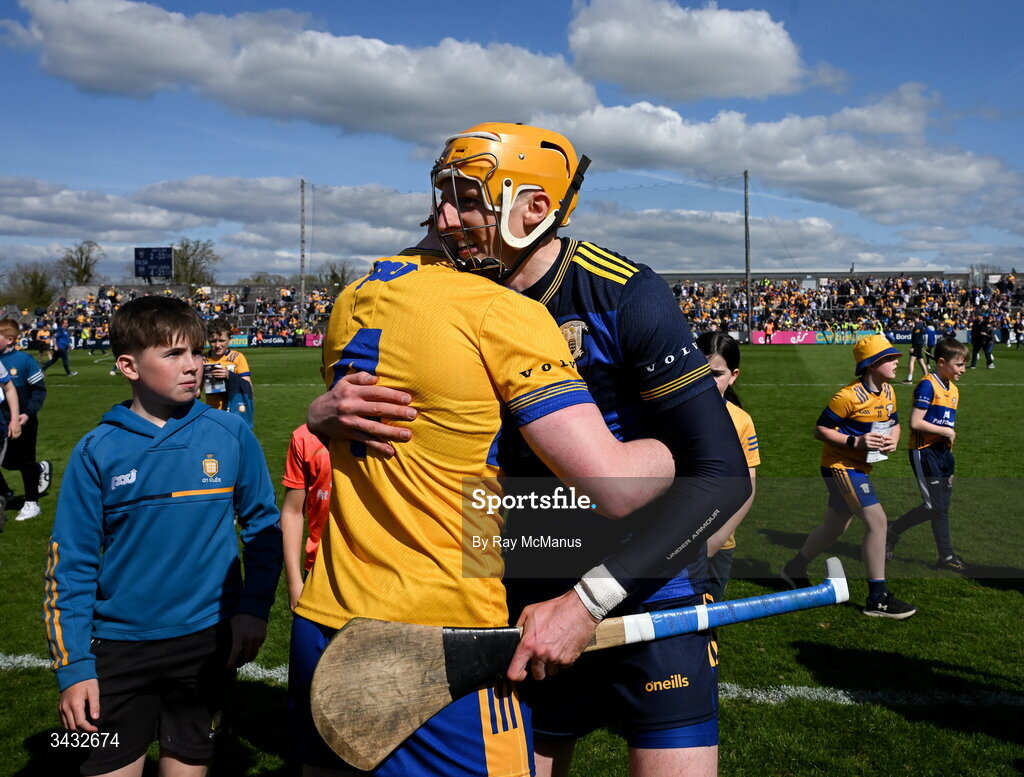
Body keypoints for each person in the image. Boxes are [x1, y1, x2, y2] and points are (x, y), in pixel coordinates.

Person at [311, 123, 750, 777]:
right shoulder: (441, 292)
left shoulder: (623, 292)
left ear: (534, 209)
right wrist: (320, 413)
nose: (444, 217)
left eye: (466, 200)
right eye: (442, 196)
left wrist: (584, 602)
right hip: (516, 586)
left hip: (647, 578)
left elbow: (722, 476)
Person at [43, 296, 282, 777]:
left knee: (189, 763)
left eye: (196, 352)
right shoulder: (97, 450)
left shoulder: (231, 433)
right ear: (128, 365)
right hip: (117, 648)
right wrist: (73, 669)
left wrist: (253, 608)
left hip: (207, 644)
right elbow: (70, 563)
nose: (192, 365)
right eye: (173, 355)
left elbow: (263, 526)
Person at [781, 334, 916, 619]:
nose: (896, 363)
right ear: (870, 364)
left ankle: (794, 567)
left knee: (835, 527)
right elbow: (821, 430)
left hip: (861, 467)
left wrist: (893, 438)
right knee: (878, 522)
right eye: (889, 358)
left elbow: (895, 423)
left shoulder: (889, 392)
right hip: (840, 466)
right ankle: (877, 598)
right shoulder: (847, 396)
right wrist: (856, 443)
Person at [886, 338, 969, 572]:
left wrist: (948, 451)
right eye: (959, 365)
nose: (963, 370)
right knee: (933, 506)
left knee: (941, 507)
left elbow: (945, 426)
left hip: (944, 455)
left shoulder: (953, 389)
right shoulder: (927, 385)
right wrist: (945, 431)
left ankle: (946, 556)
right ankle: (892, 532)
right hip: (924, 453)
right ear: (941, 362)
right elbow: (915, 422)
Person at [698, 331, 759, 602]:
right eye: (699, 371)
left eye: (716, 374)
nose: (706, 382)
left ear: (734, 375)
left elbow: (747, 488)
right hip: (669, 542)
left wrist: (715, 542)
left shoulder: (741, 421)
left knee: (708, 623)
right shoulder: (665, 413)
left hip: (717, 546)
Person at [281, 423, 332, 611]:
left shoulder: (391, 430)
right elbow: (293, 511)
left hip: (380, 575)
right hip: (318, 572)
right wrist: (295, 583)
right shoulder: (305, 436)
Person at [0, 318, 47, 522]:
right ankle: (7, 493)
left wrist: (26, 414)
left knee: (25, 460)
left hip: (24, 419)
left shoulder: (24, 361)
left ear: (9, 339)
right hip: (1, 420)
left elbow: (39, 390)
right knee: (8, 463)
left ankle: (31, 503)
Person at [203, 319, 254, 425]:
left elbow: (248, 386)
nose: (217, 345)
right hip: (212, 412)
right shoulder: (203, 359)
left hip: (233, 411)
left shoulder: (237, 357)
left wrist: (229, 376)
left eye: (222, 340)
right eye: (213, 341)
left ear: (230, 340)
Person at [902, 316, 928, 384]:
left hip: (916, 345)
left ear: (912, 321)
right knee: (921, 361)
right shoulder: (920, 325)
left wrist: (913, 347)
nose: (908, 324)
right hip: (919, 345)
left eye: (909, 322)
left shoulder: (917, 326)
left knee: (911, 361)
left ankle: (909, 379)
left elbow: (916, 337)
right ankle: (927, 376)